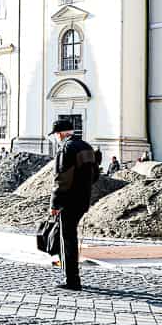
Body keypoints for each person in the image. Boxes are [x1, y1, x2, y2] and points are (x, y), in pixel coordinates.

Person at [49, 120, 100, 291]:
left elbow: (61, 178)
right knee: (71, 236)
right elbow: (95, 175)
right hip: (83, 199)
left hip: (68, 201)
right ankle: (72, 277)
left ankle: (73, 280)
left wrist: (55, 203)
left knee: (68, 239)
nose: (56, 138)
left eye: (56, 135)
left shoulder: (66, 148)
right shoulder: (86, 146)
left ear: (61, 134)